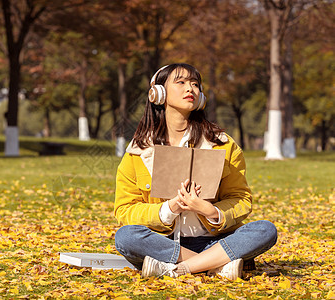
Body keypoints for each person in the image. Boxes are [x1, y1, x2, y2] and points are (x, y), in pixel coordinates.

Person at [114, 63, 277, 279]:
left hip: (215, 241)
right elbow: (124, 210)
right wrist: (168, 209)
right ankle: (216, 265)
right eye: (180, 82)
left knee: (265, 230)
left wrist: (210, 211)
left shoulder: (223, 144)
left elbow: (240, 198)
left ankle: (179, 269)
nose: (190, 88)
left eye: (195, 84)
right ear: (158, 92)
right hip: (164, 241)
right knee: (126, 237)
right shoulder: (138, 151)